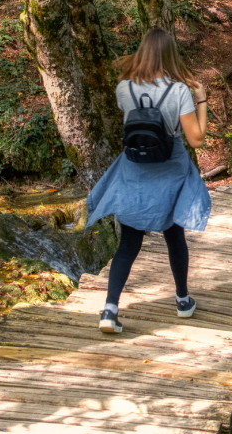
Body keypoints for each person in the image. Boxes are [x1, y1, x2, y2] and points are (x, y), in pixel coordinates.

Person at [83, 28, 212, 333]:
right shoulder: (180, 91)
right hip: (169, 170)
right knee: (174, 234)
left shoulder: (124, 88)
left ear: (142, 52)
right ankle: (182, 300)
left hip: (135, 170)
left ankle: (109, 310)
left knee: (129, 241)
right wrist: (202, 99)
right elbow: (196, 140)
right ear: (170, 55)